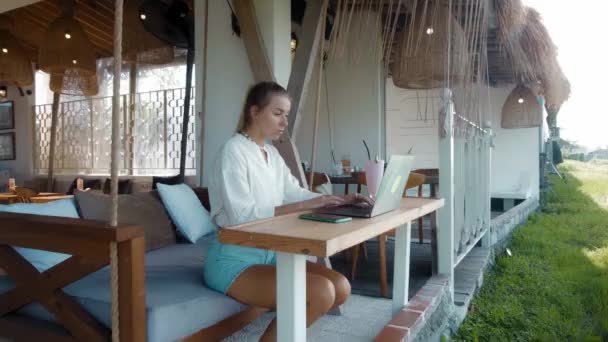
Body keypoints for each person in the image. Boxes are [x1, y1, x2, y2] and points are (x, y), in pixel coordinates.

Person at [204, 81, 372, 341]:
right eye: (277, 113)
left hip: (272, 254)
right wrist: (303, 206)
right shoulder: (233, 151)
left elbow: (295, 192)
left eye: (286, 115)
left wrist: (337, 199)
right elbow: (241, 216)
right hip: (235, 259)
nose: (284, 122)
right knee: (320, 293)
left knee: (340, 287)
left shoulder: (271, 153)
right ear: (254, 111)